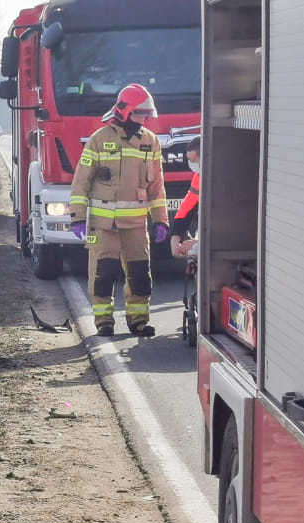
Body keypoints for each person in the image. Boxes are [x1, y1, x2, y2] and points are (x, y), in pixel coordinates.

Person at [69, 84, 169, 337]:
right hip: (102, 226)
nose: (144, 119)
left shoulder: (150, 141)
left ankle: (138, 320)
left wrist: (161, 220)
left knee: (139, 274)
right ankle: (103, 320)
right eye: (139, 114)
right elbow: (81, 182)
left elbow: (157, 185)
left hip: (136, 225)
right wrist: (78, 217)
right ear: (124, 112)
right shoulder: (99, 139)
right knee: (103, 272)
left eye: (146, 115)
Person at [170, 136, 201, 259]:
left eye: (194, 161)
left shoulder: (227, 181)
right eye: (190, 161)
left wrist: (200, 243)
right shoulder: (199, 177)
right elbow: (188, 206)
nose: (192, 165)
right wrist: (175, 235)